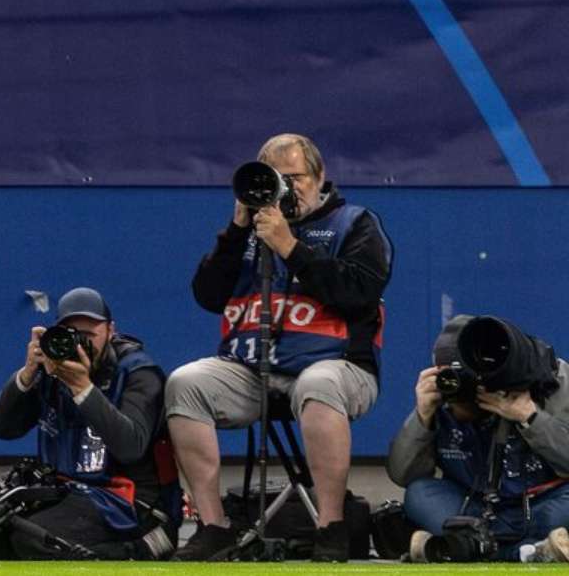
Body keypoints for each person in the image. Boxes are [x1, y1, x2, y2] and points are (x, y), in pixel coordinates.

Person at [165, 133, 393, 562]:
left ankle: (331, 526)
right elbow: (208, 295)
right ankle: (214, 527)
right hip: (255, 368)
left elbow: (359, 291)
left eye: (296, 178)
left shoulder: (356, 223)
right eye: (277, 180)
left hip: (340, 367)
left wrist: (290, 247)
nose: (288, 189)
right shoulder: (252, 232)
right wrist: (236, 231)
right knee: (185, 383)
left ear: (320, 176)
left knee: (318, 384)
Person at [0, 287, 179, 560]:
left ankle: (137, 551)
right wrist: (27, 374)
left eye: (89, 335)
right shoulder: (51, 369)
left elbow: (130, 446)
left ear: (110, 330)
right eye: (72, 336)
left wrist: (82, 388)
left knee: (29, 537)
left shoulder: (138, 373)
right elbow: (2, 428)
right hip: (68, 491)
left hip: (130, 502)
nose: (80, 345)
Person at [387, 315, 569, 562]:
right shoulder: (440, 394)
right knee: (420, 494)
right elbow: (402, 474)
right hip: (474, 509)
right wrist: (422, 417)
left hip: (541, 506)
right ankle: (530, 552)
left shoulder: (550, 384)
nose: (455, 405)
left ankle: (454, 548)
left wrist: (529, 418)